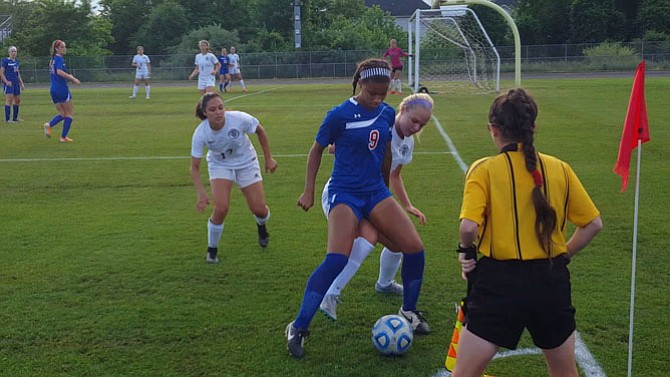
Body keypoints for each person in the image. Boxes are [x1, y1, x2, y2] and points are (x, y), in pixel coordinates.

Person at [452, 88, 603, 377]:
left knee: (465, 373)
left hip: (499, 283)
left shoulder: (483, 169)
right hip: (550, 280)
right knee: (564, 372)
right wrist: (562, 255)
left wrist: (466, 253)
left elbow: (468, 227)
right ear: (532, 127)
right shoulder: (560, 168)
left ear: (493, 129)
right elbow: (593, 224)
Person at [286, 58, 430, 359]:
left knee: (414, 247)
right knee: (336, 258)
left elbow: (385, 154)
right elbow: (315, 151)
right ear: (360, 83)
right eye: (372, 93)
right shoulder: (339, 115)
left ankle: (409, 311)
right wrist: (309, 190)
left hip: (375, 192)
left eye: (383, 93)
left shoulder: (387, 113)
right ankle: (298, 326)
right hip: (344, 193)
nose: (377, 98)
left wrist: (385, 195)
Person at [318, 93, 434, 321]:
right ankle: (330, 294)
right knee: (369, 235)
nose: (416, 127)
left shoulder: (407, 143)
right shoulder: (380, 123)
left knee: (399, 244)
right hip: (344, 194)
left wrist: (408, 205)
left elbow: (395, 175)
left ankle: (384, 284)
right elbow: (335, 147)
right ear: (402, 110)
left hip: (374, 199)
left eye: (422, 124)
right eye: (414, 120)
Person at [190, 92, 278, 264]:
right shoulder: (201, 133)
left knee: (259, 209)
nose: (218, 112)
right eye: (213, 109)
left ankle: (261, 226)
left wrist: (268, 158)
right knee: (221, 208)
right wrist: (201, 193)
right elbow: (194, 167)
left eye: (221, 108)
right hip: (220, 165)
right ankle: (212, 250)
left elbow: (260, 130)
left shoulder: (238, 118)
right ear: (205, 113)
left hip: (247, 162)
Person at [43, 40, 80, 143]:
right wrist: (72, 78)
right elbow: (59, 72)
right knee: (69, 113)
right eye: (62, 47)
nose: (64, 49)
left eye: (65, 47)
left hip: (53, 89)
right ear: (57, 49)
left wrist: (68, 77)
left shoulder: (52, 60)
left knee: (62, 113)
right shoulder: (59, 59)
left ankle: (49, 125)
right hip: (61, 89)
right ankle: (63, 137)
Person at [1, 46, 25, 123]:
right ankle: (7, 119)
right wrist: (6, 81)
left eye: (15, 51)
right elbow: (1, 72)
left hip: (16, 83)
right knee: (9, 100)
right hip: (9, 83)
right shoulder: (5, 61)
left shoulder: (16, 62)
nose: (14, 53)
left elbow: (17, 73)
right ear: (9, 52)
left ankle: (15, 118)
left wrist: (21, 83)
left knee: (17, 100)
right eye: (12, 51)